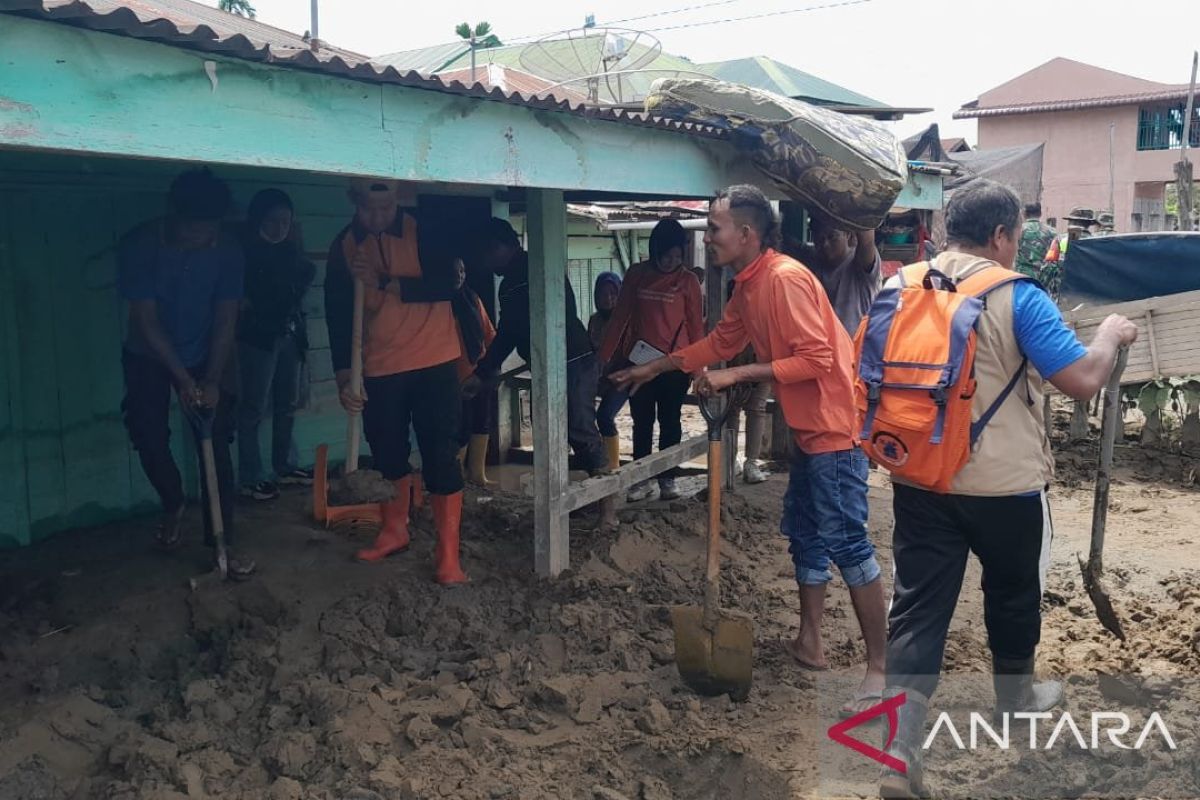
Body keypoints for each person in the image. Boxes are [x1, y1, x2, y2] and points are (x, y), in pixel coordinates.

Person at [876, 180, 1138, 799]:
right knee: (1015, 595)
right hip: (1004, 487)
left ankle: (895, 746)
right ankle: (1016, 703)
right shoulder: (1017, 295)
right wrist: (1110, 336)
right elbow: (1078, 381)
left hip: (917, 473)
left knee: (916, 610)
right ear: (999, 236)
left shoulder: (900, 286)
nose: (1017, 251)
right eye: (1016, 239)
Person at [611, 185, 887, 719]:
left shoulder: (783, 281)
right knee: (805, 534)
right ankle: (811, 643)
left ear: (746, 234)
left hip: (834, 432)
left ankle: (880, 666)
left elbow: (817, 359)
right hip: (809, 434)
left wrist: (737, 373)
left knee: (848, 543)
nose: (707, 237)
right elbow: (718, 343)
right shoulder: (749, 285)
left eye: (713, 228)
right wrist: (656, 367)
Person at [324, 178, 478, 584]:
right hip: (379, 365)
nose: (378, 217)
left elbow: (450, 281)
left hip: (435, 357)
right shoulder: (344, 245)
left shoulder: (424, 230)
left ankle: (447, 554)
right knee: (388, 451)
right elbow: (338, 314)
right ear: (354, 202)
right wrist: (345, 376)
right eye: (369, 209)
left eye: (386, 208)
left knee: (440, 452)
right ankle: (395, 529)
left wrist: (387, 282)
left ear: (398, 201)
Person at [118, 167, 254, 576]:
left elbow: (226, 317)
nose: (205, 240)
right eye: (195, 232)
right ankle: (173, 501)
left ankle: (221, 541)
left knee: (214, 440)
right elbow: (146, 319)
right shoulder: (140, 245)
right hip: (149, 354)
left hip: (207, 351)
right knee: (147, 433)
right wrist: (181, 378)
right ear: (172, 216)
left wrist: (211, 379)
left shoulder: (228, 250)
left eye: (211, 232)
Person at [473, 218, 608, 476]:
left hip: (571, 360)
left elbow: (512, 331)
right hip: (548, 363)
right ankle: (563, 493)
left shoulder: (535, 271)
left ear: (502, 246)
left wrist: (484, 370)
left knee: (578, 426)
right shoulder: (512, 281)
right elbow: (510, 332)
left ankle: (605, 501)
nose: (486, 263)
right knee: (547, 426)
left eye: (488, 254)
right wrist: (484, 371)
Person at [599, 220, 704, 501]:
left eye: (678, 257)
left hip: (674, 366)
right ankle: (639, 480)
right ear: (654, 249)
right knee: (641, 422)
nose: (672, 262)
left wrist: (698, 371)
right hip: (639, 362)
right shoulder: (637, 275)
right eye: (666, 256)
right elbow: (620, 317)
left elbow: (696, 327)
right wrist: (604, 356)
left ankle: (667, 478)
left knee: (670, 421)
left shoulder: (688, 281)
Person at [236, 189, 316, 501]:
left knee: (287, 404)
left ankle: (284, 465)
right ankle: (251, 476)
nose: (279, 227)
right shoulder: (246, 253)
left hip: (289, 335)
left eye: (285, 221)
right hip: (258, 338)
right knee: (253, 407)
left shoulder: (290, 252)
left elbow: (298, 283)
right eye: (272, 220)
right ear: (258, 219)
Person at [788, 213, 881, 334]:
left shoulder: (858, 265)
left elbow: (867, 241)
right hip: (827, 347)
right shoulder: (816, 263)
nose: (825, 244)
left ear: (848, 235)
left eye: (832, 237)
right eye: (820, 239)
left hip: (857, 349)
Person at [453, 257, 498, 487]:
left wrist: (488, 370)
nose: (458, 275)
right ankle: (457, 477)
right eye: (453, 271)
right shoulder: (440, 304)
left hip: (478, 373)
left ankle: (477, 475)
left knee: (482, 421)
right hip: (453, 377)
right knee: (461, 427)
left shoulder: (472, 299)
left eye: (461, 270)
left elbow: (489, 335)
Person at [590, 272, 627, 471]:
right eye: (603, 294)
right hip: (600, 378)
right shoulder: (594, 321)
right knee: (581, 414)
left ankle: (613, 465)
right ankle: (596, 460)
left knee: (604, 415)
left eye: (613, 293)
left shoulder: (626, 321)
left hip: (623, 377)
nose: (608, 299)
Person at [1014, 201, 1057, 282]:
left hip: (1021, 275)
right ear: (1040, 213)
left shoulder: (1018, 230)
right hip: (1043, 277)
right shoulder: (1052, 232)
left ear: (1024, 213)